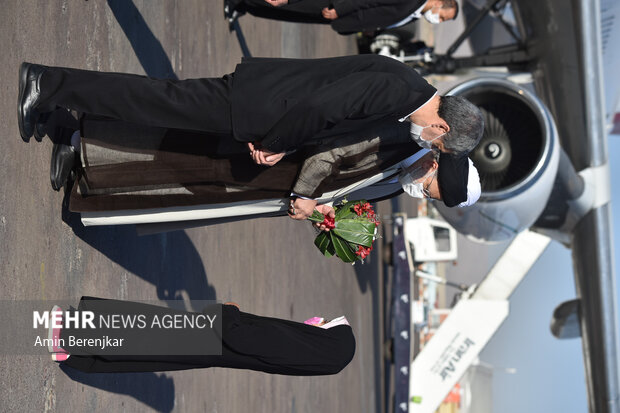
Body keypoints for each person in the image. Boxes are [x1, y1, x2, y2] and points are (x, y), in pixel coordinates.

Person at [18, 56, 483, 219]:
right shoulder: (398, 90)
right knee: (150, 100)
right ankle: (45, 83)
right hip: (260, 104)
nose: (430, 146)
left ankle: (58, 106)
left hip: (263, 103)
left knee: (153, 108)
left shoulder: (405, 94)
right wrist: (280, 141)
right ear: (443, 126)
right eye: (439, 144)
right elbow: (321, 109)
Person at [39, 112, 479, 228]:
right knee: (178, 152)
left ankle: (87, 178)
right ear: (434, 163)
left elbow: (341, 193)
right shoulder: (399, 140)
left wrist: (325, 217)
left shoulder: (395, 186)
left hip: (268, 190)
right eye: (431, 186)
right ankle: (84, 144)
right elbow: (331, 152)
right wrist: (307, 194)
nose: (421, 190)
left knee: (179, 185)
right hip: (276, 160)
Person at [48, 297, 355, 375]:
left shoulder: (294, 345)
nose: (319, 321)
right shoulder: (304, 356)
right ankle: (75, 349)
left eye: (326, 324)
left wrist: (229, 312)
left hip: (213, 338)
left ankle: (69, 336)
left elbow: (246, 339)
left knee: (146, 333)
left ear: (326, 339)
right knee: (147, 341)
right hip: (212, 348)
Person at [224, 0, 459, 35]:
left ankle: (246, 8)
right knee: (290, 4)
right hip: (337, 7)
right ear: (439, 2)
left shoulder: (415, 15)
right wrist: (340, 7)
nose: (439, 20)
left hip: (344, 20)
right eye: (444, 16)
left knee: (287, 14)